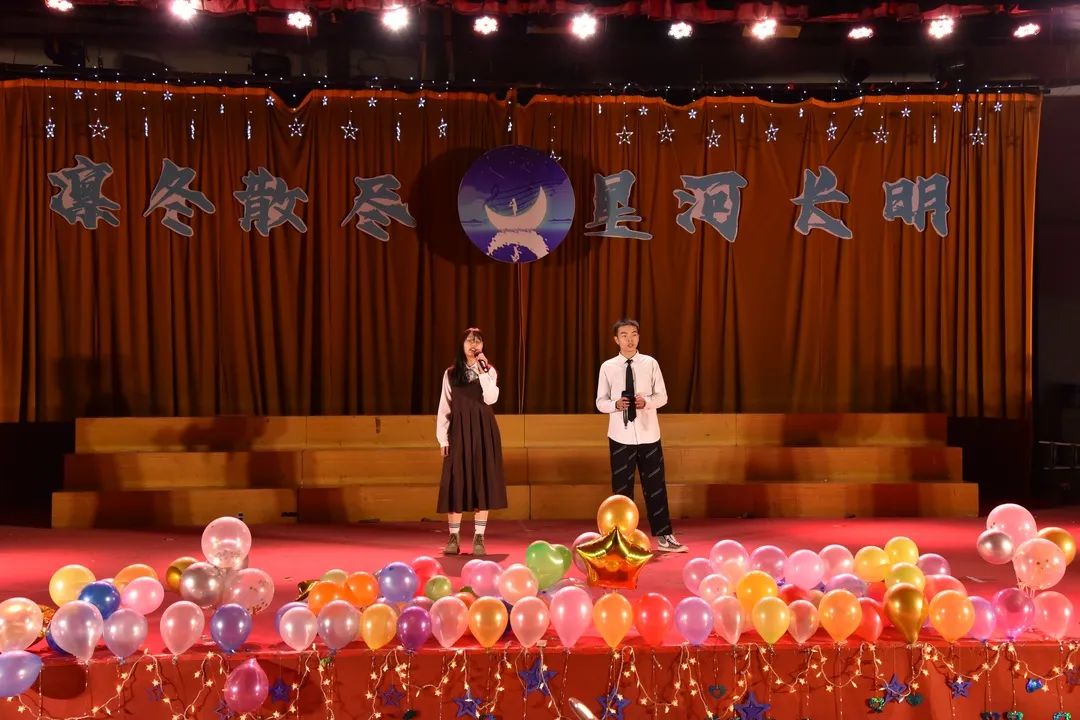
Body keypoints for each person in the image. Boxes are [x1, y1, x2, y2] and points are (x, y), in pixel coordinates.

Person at [595, 318, 687, 553]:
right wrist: (616, 404)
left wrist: (646, 402)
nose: (629, 339)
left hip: (649, 435)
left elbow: (663, 396)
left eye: (633, 334)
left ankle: (665, 536)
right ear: (616, 340)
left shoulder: (650, 363)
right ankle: (619, 539)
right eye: (624, 335)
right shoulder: (608, 367)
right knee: (621, 490)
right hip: (620, 437)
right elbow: (600, 402)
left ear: (639, 337)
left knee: (655, 486)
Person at [436, 327, 507, 556]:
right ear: (462, 344)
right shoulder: (451, 373)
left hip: (483, 430)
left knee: (481, 481)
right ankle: (453, 536)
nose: (473, 344)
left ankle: (479, 537)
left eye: (478, 341)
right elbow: (444, 407)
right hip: (458, 431)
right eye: (469, 340)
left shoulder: (489, 370)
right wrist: (442, 439)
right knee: (456, 481)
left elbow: (491, 398)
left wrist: (483, 371)